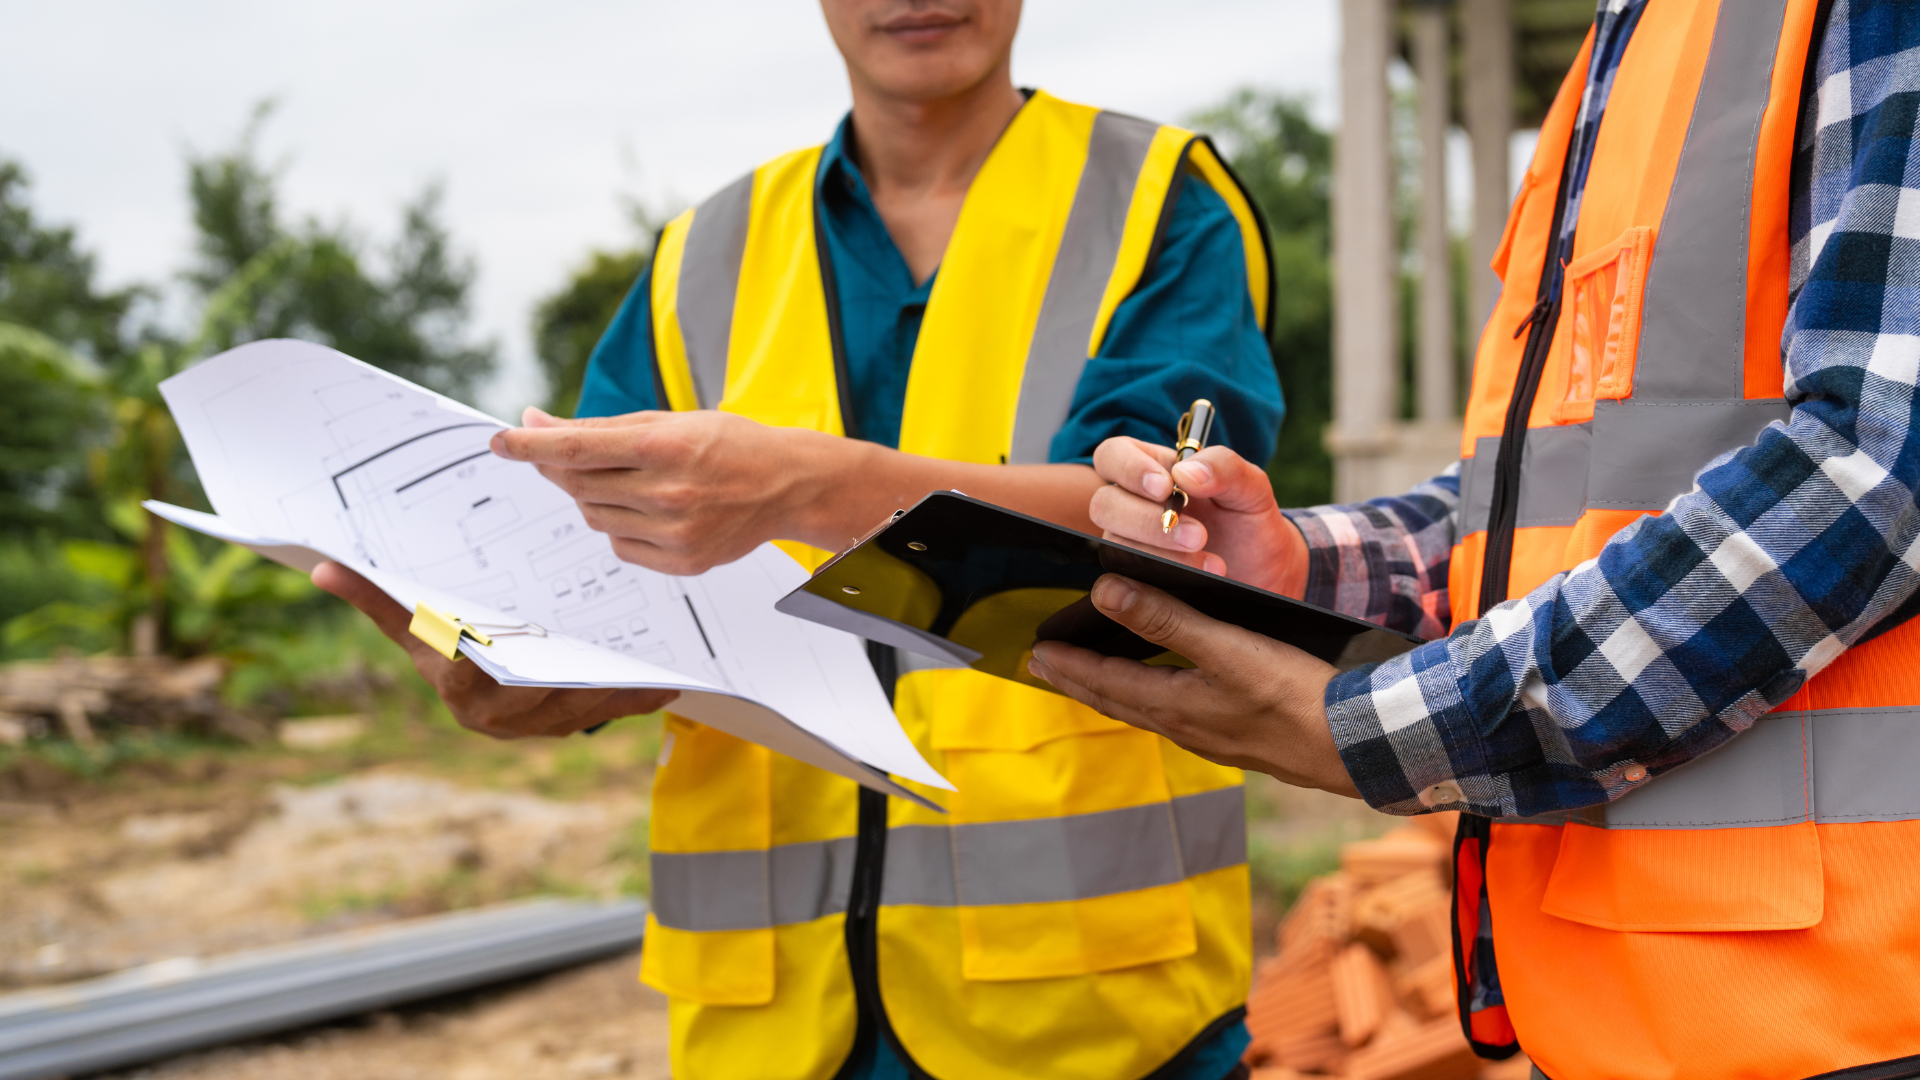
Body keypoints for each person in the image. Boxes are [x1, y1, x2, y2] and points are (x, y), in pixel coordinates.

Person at [314, 1, 1284, 1077]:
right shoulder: (703, 256)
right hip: (764, 1021)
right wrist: (539, 673)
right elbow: (604, 583)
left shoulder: (1155, 201)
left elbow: (1176, 529)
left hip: (1093, 1014)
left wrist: (814, 487)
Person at [1027, 1, 1920, 1077]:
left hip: (1849, 1012)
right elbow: (1540, 501)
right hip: (1631, 1013)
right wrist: (1297, 565)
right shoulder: (1627, 48)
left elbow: (1877, 468)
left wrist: (1377, 730)